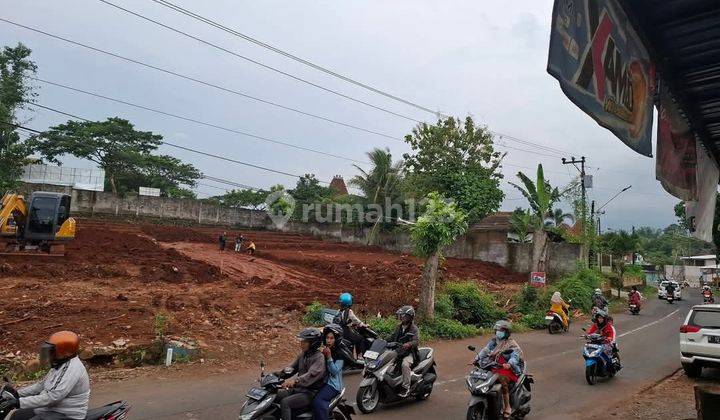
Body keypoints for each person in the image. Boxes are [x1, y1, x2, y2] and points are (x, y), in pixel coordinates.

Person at [0, 331, 90, 420]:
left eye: (52, 351)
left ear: (64, 351)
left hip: (67, 414)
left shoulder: (71, 369)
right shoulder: (60, 364)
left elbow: (52, 397)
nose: (49, 354)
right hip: (51, 409)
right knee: (18, 416)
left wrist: (18, 402)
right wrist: (17, 394)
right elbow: (41, 385)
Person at [475, 320, 523, 419]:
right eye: (497, 330)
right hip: (494, 365)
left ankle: (507, 407)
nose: (498, 332)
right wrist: (476, 358)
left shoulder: (511, 343)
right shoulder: (494, 341)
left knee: (502, 380)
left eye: (501, 330)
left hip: (508, 369)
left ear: (507, 332)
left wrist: (510, 363)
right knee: (481, 375)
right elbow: (485, 350)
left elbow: (515, 355)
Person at [275, 328, 326, 420]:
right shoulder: (303, 355)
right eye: (301, 341)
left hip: (309, 393)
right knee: (273, 395)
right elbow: (291, 369)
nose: (301, 344)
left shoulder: (319, 358)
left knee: (285, 402)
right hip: (298, 389)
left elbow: (311, 374)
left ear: (313, 343)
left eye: (304, 342)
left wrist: (295, 381)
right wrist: (275, 375)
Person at [312, 324, 344, 420]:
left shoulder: (340, 354)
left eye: (332, 338)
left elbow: (334, 371)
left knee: (318, 401)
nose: (329, 340)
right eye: (327, 338)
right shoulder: (323, 351)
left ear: (336, 339)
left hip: (333, 385)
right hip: (322, 382)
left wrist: (329, 357)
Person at [387, 305, 419, 398]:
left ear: (410, 317)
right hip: (398, 351)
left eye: (403, 315)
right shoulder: (399, 327)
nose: (401, 317)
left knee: (405, 365)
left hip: (409, 353)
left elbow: (416, 341)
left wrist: (409, 344)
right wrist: (382, 340)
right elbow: (392, 337)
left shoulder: (414, 328)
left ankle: (406, 387)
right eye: (401, 315)